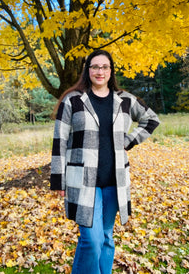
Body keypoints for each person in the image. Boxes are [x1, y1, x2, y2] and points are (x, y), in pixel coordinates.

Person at [50, 49, 160, 274]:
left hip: (114, 179)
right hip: (82, 180)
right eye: (95, 67)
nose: (100, 71)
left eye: (104, 67)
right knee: (91, 240)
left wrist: (129, 141)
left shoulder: (126, 100)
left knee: (107, 237)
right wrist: (57, 179)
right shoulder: (73, 100)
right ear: (87, 70)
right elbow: (59, 139)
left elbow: (151, 119)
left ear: (111, 71)